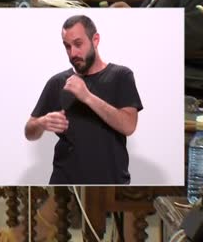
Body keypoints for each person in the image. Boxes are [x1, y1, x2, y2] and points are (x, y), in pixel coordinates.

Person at [26, 15, 142, 185]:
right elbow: (29, 131)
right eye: (67, 46)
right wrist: (41, 123)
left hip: (110, 182)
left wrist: (87, 96)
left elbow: (128, 126)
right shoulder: (58, 82)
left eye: (78, 44)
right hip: (65, 182)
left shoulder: (121, 76)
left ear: (95, 40)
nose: (73, 53)